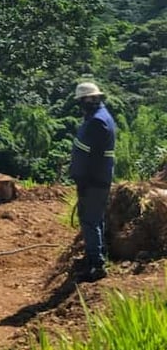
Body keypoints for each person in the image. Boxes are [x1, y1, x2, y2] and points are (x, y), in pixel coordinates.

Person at [69, 80, 116, 282]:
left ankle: (96, 265)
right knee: (95, 219)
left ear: (90, 99)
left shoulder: (97, 122)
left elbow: (94, 157)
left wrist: (85, 179)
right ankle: (96, 255)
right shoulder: (98, 117)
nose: (82, 104)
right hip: (97, 178)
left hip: (94, 180)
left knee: (90, 220)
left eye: (83, 100)